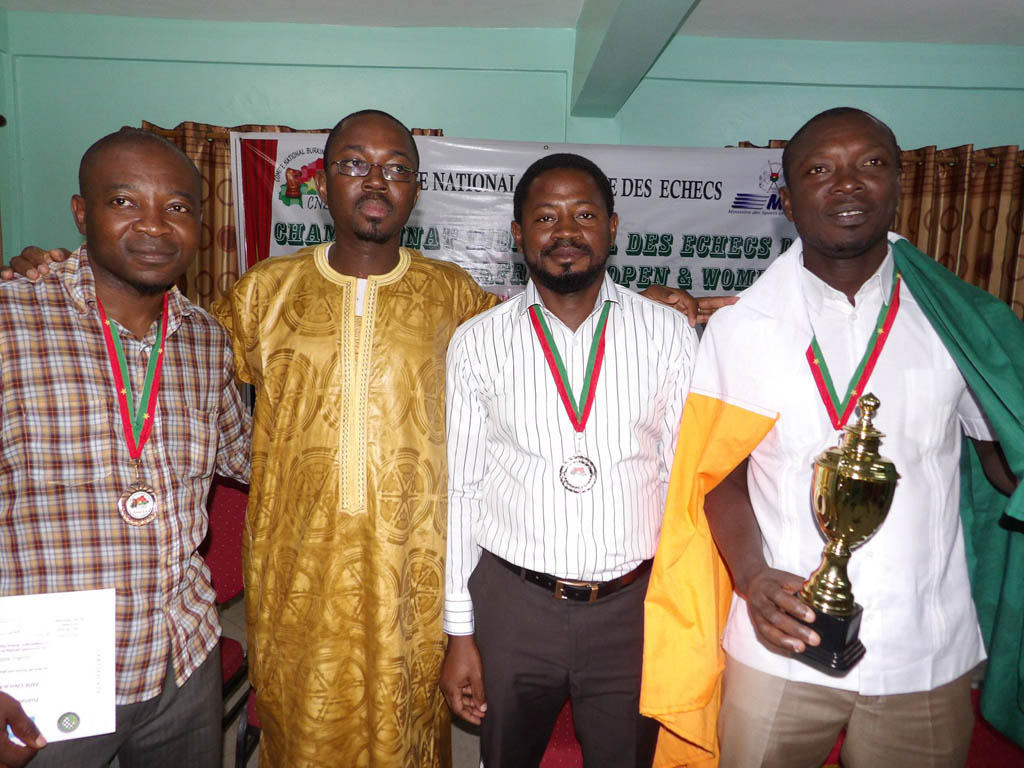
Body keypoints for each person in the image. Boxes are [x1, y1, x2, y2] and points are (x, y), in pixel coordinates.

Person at [7, 112, 719, 768]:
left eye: (394, 168)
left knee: (409, 732)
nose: (375, 181)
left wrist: (651, 299)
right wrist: (48, 271)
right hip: (297, 580)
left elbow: (554, 321)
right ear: (323, 184)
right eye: (354, 164)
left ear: (415, 190)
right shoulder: (261, 292)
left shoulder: (457, 299)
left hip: (412, 576)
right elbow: (166, 352)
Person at [642, 107, 1023, 768]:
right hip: (778, 649)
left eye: (870, 164)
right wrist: (752, 575)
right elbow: (716, 477)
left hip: (924, 651)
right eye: (820, 170)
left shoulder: (961, 323)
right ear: (787, 201)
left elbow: (1001, 464)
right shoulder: (741, 329)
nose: (847, 184)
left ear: (899, 183)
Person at [0, 128, 251, 768]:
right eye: (124, 203)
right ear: (82, 213)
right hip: (43, 672)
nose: (154, 227)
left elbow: (250, 458)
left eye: (177, 207)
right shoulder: (11, 318)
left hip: (181, 650)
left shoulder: (206, 339)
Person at [440, 153, 698, 768]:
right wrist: (460, 631)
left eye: (584, 214)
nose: (565, 233)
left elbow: (680, 481)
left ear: (613, 226)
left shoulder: (667, 333)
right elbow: (463, 489)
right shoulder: (478, 340)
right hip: (513, 606)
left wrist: (683, 611)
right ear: (518, 234)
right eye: (545, 217)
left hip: (632, 608)